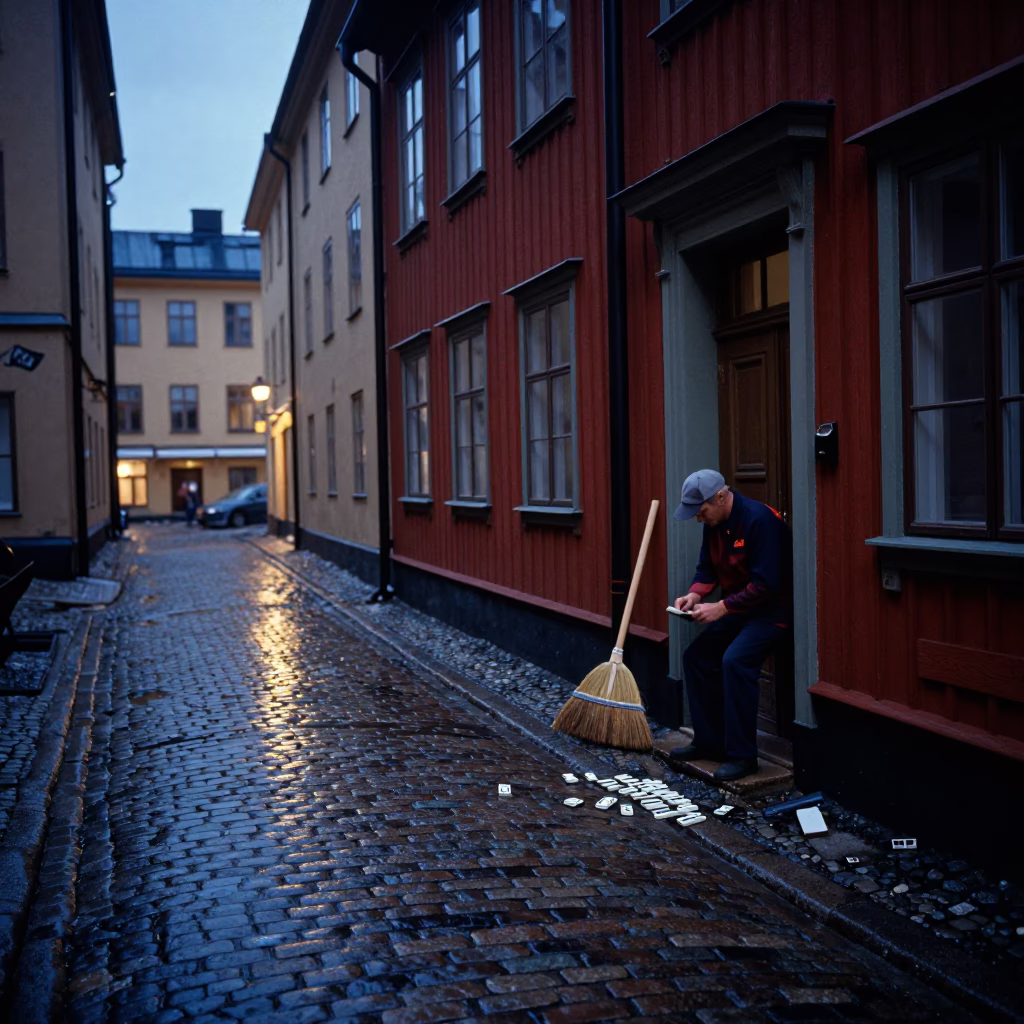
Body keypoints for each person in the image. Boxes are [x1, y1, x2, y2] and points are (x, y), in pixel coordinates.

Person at [670, 469, 792, 781]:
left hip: (771, 614)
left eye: (701, 511)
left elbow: (768, 585)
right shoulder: (714, 523)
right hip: (739, 610)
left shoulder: (760, 521)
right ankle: (710, 743)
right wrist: (694, 595)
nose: (699, 519)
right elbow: (705, 569)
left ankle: (743, 757)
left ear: (721, 497)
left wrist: (722, 607)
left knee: (735, 662)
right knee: (696, 658)